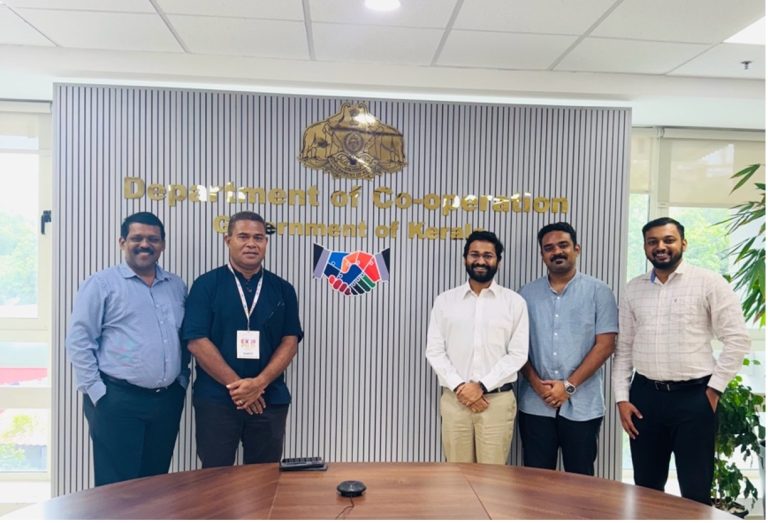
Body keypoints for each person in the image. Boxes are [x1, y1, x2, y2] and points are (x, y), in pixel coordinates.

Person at [613, 217, 750, 505]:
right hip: (645, 399)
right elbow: (624, 348)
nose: (660, 247)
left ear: (683, 244)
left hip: (694, 398)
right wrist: (621, 399)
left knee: (696, 490)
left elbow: (737, 339)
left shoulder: (708, 282)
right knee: (646, 489)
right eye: (652, 242)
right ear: (645, 247)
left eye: (668, 240)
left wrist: (714, 390)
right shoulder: (633, 288)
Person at [66, 212, 188, 486]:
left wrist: (181, 381)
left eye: (153, 239)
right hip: (117, 400)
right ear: (122, 242)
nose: (145, 244)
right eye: (137, 238)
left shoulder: (176, 286)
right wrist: (97, 392)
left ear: (163, 244)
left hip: (166, 402)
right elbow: (79, 339)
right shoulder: (102, 284)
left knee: (154, 484)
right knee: (116, 489)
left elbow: (183, 338)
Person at [182, 211, 303, 467]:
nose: (251, 244)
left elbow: (290, 341)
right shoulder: (206, 285)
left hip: (268, 398)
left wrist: (258, 384)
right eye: (243, 236)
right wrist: (241, 388)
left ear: (266, 243)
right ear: (228, 241)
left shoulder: (283, 289)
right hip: (217, 400)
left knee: (264, 478)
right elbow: (196, 341)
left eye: (258, 238)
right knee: (215, 480)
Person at [517, 222, 617, 475]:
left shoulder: (599, 292)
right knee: (536, 481)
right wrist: (537, 384)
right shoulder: (525, 294)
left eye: (563, 245)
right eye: (549, 248)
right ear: (542, 254)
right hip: (535, 403)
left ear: (577, 248)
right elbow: (516, 347)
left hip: (583, 404)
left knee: (580, 481)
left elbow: (605, 345)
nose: (556, 252)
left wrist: (568, 386)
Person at [425, 230, 529, 464]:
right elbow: (434, 351)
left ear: (498, 261)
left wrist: (481, 386)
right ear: (465, 259)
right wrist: (461, 387)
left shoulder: (514, 303)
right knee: (456, 475)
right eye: (474, 254)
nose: (480, 260)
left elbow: (518, 354)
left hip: (497, 403)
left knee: (492, 478)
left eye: (488, 256)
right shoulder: (445, 301)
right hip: (455, 400)